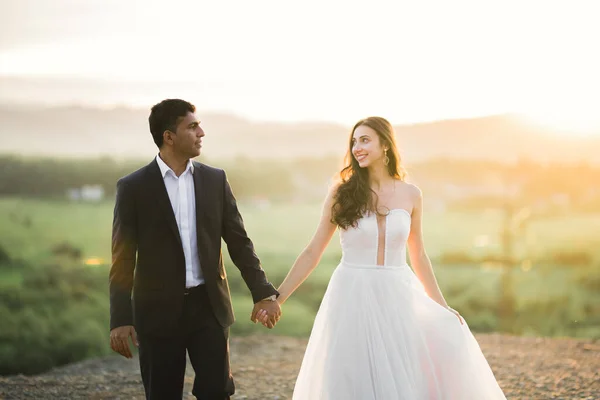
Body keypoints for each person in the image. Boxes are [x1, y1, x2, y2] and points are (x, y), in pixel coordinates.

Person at [256, 116, 506, 399]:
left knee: (401, 373)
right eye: (353, 142)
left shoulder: (411, 194)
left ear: (385, 145)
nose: (356, 148)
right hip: (351, 293)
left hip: (397, 294)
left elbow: (419, 255)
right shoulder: (342, 192)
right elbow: (313, 251)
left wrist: (442, 306)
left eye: (365, 140)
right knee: (352, 374)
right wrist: (279, 298)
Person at [109, 99, 281, 400]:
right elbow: (123, 257)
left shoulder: (215, 180)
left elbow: (239, 241)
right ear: (168, 136)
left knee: (217, 392)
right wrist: (121, 317)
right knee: (162, 394)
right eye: (192, 126)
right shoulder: (134, 187)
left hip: (208, 307)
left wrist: (262, 292)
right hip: (157, 313)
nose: (201, 132)